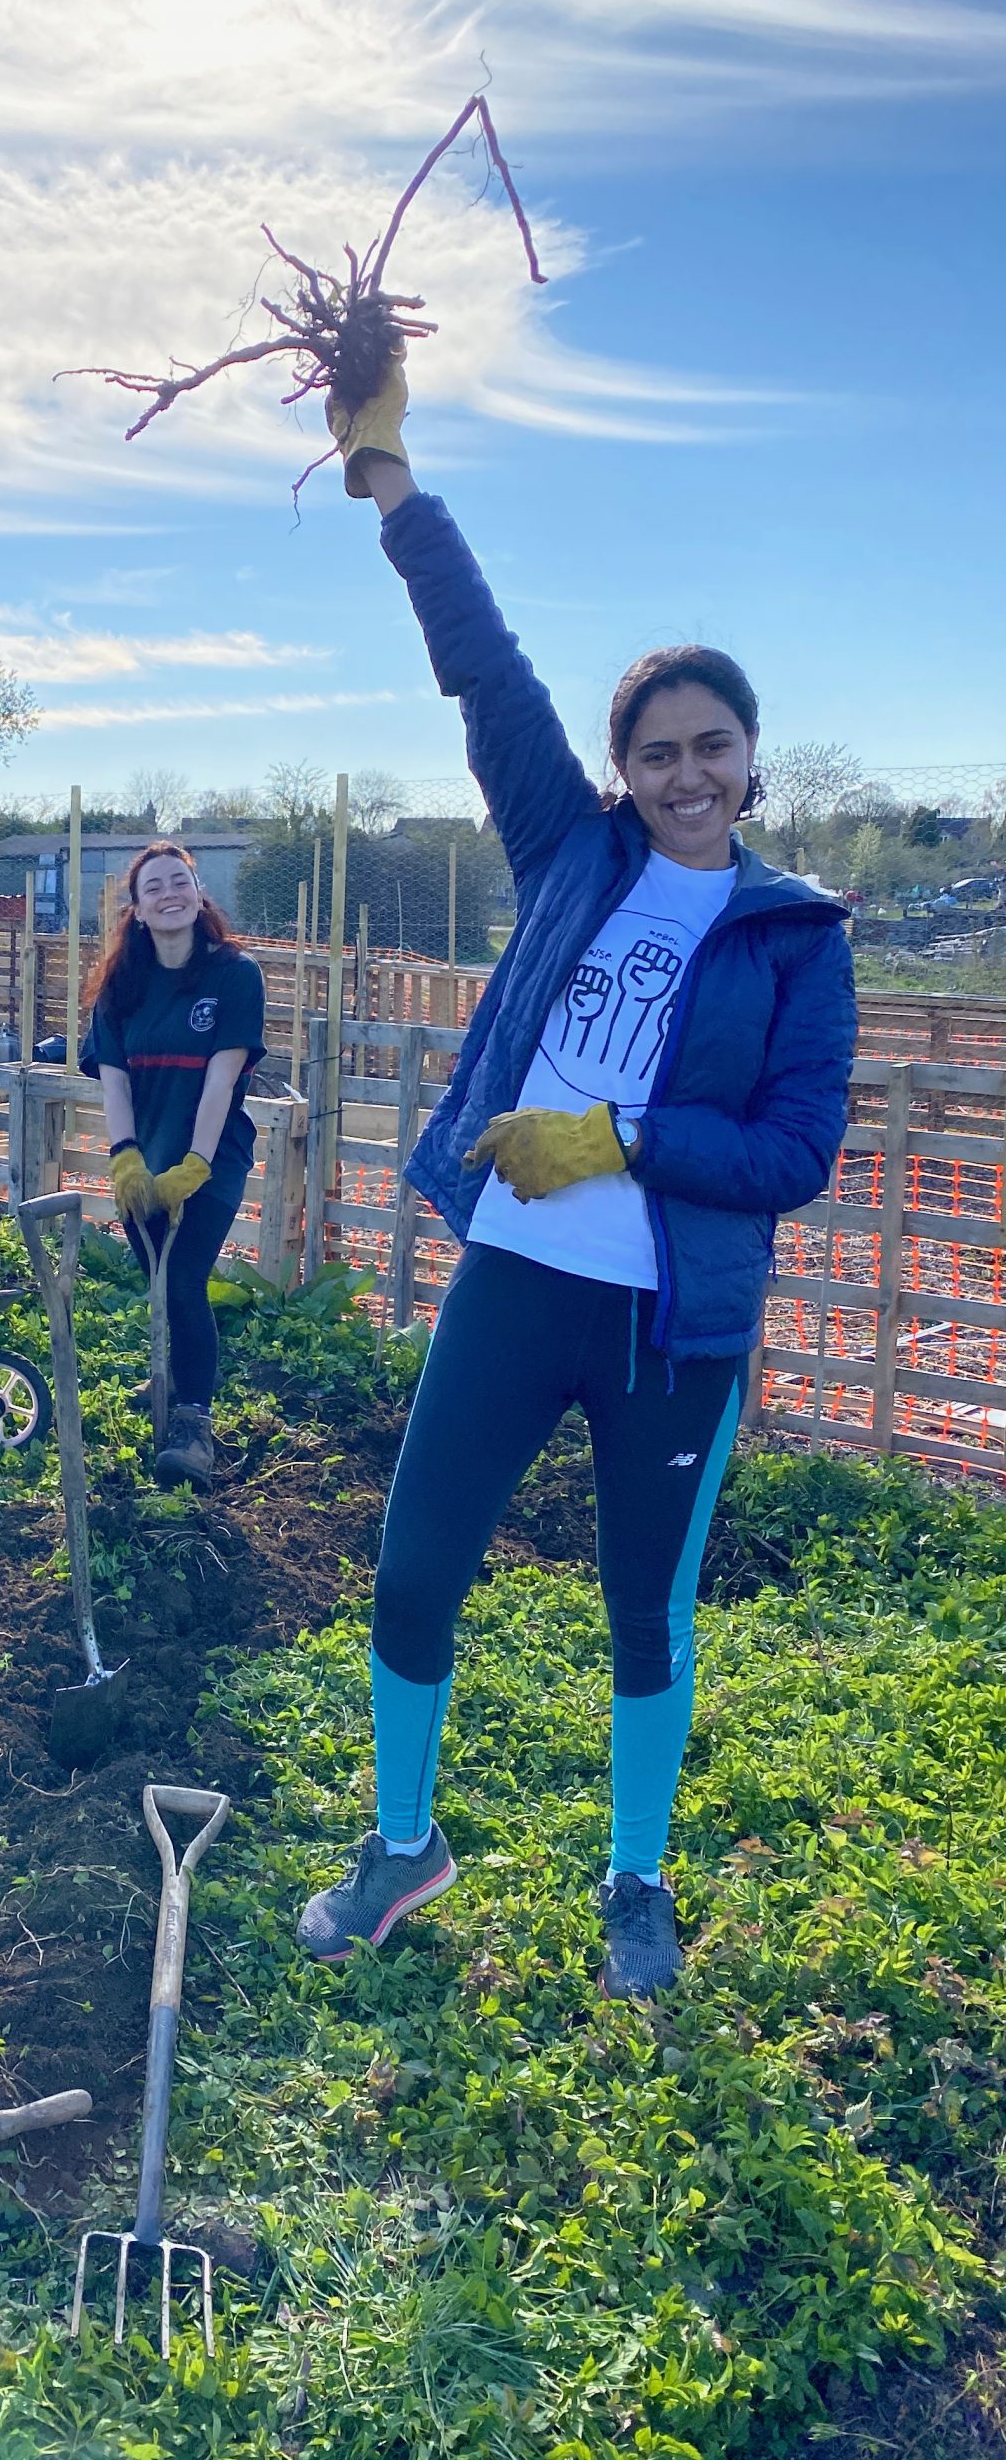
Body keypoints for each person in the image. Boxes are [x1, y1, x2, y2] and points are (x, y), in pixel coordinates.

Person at [294, 355, 855, 2000]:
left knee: (644, 1614)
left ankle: (634, 1878)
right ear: (622, 771)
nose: (686, 771)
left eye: (713, 745)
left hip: (674, 1330)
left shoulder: (797, 938)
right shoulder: (569, 850)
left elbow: (796, 1155)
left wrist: (615, 1138)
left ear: (752, 761)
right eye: (656, 750)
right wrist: (396, 487)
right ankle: (404, 1842)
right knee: (412, 1565)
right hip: (523, 1286)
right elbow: (485, 671)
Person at [82, 841, 268, 1487]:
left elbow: (222, 1081)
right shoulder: (119, 989)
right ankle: (170, 1371)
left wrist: (194, 1165)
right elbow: (114, 1083)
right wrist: (126, 1159)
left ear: (198, 893)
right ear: (135, 909)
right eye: (154, 886)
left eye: (179, 882)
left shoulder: (232, 975)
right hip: (143, 1154)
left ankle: (193, 1421)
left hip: (210, 1157)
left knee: (185, 1279)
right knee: (158, 1282)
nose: (170, 893)